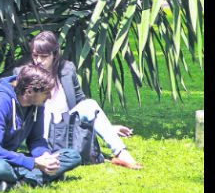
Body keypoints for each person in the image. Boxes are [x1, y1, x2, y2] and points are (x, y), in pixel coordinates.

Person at [0, 64, 82, 192]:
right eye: (46, 93)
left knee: (72, 156)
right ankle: (36, 177)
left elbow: (36, 139)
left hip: (10, 157)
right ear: (29, 91)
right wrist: (34, 163)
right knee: (1, 168)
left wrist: (46, 157)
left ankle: (15, 181)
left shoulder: (37, 103)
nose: (49, 97)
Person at [25, 31, 143, 169]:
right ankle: (47, 154)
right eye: (35, 55)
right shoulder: (28, 74)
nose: (38, 60)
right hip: (43, 128)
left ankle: (121, 153)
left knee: (89, 104)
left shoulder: (67, 70)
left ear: (54, 55)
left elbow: (80, 101)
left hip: (67, 126)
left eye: (44, 56)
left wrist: (108, 128)